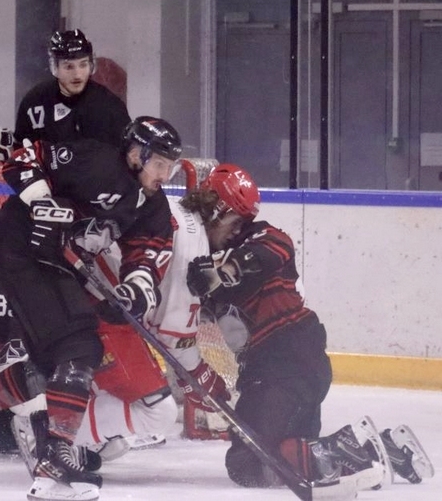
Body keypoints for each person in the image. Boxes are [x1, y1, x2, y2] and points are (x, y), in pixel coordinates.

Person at [0, 116, 182, 501]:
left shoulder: (153, 207)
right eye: (160, 163)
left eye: (171, 166)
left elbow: (149, 256)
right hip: (18, 251)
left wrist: (135, 290)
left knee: (54, 363)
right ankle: (55, 457)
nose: (165, 174)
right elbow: (24, 156)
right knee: (80, 346)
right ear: (135, 154)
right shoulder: (96, 161)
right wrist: (40, 201)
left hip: (56, 267)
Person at [184, 164, 433, 491]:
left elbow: (275, 249)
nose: (236, 230)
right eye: (234, 221)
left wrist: (223, 271)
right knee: (293, 452)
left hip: (289, 361)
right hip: (277, 371)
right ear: (216, 212)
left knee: (249, 462)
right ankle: (383, 448)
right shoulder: (203, 255)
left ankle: (348, 448)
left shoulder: (261, 236)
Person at [15, 29, 130, 149]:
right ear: (55, 67)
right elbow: (20, 153)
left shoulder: (111, 107)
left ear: (91, 65)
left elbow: (125, 156)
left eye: (83, 64)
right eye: (69, 67)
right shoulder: (34, 101)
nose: (77, 75)